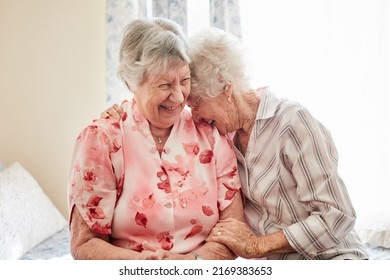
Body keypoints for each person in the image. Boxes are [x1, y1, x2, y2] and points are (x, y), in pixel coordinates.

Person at [104, 27, 369, 260]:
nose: (193, 115)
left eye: (195, 104)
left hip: (332, 259)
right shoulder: (221, 137)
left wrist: (257, 245)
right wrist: (124, 115)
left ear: (225, 90)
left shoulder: (293, 123)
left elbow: (338, 216)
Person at [68, 18, 244, 260]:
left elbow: (234, 227)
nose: (178, 95)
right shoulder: (103, 140)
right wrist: (144, 264)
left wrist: (192, 264)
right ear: (132, 82)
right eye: (164, 84)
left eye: (184, 80)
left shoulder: (210, 133)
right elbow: (85, 243)